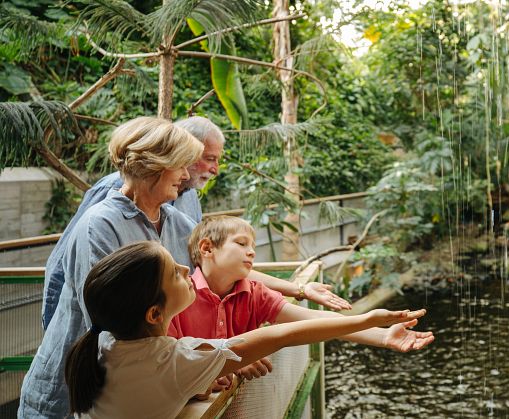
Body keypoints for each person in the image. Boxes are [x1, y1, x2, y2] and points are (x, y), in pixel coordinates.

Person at [41, 116, 349, 330]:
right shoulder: (105, 213)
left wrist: (298, 290)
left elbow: (212, 266)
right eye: (209, 158)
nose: (207, 171)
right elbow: (72, 281)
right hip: (90, 367)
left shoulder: (181, 207)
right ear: (166, 160)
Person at [64, 240, 427, 418]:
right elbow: (278, 335)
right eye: (173, 272)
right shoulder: (173, 361)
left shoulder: (103, 341)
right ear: (155, 314)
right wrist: (366, 320)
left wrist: (197, 385)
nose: (182, 267)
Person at [19, 116, 204, 418]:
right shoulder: (99, 226)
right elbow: (108, 324)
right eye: (181, 164)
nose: (185, 175)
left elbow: (214, 269)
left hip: (133, 390)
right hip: (74, 397)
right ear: (154, 165)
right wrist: (183, 373)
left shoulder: (178, 223)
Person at [169, 215, 435, 386]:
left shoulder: (255, 293)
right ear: (207, 248)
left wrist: (382, 336)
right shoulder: (177, 296)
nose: (251, 251)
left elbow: (314, 320)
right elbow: (166, 359)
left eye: (252, 245)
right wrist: (229, 362)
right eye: (241, 243)